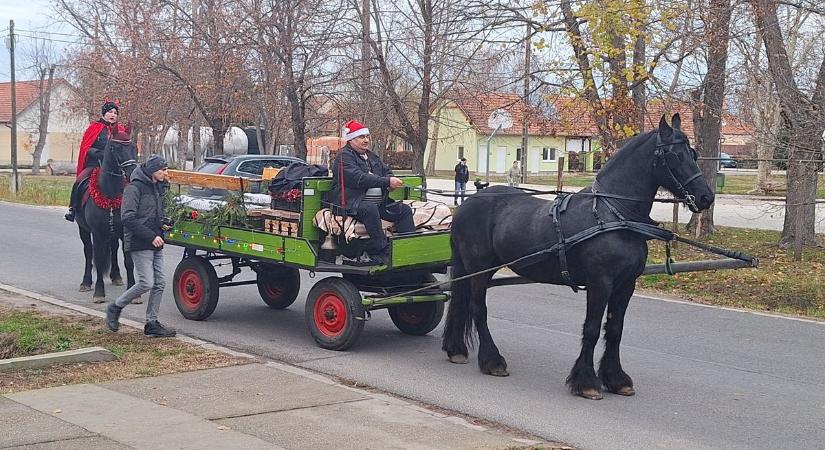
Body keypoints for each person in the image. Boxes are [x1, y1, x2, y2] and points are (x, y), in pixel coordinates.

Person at [105, 155, 176, 337]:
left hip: (156, 240)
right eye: (163, 170)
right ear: (152, 171)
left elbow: (153, 214)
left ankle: (151, 323)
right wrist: (151, 236)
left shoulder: (157, 187)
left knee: (160, 283)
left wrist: (163, 224)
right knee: (146, 282)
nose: (166, 173)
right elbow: (128, 218)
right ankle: (115, 307)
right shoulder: (133, 188)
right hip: (140, 241)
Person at [330, 119, 415, 265]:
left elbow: (386, 171)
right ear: (351, 139)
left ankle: (408, 247)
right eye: (361, 137)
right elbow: (359, 178)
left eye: (367, 137)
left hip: (378, 204)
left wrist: (390, 180)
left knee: (404, 210)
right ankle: (380, 251)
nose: (366, 140)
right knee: (370, 209)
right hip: (352, 203)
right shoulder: (344, 157)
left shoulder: (371, 156)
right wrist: (386, 182)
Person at [65, 101, 125, 222]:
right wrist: (100, 154)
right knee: (79, 181)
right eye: (110, 112)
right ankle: (73, 208)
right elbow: (86, 148)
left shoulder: (121, 130)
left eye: (115, 113)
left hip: (115, 167)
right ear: (104, 113)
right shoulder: (94, 128)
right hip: (95, 164)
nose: (113, 115)